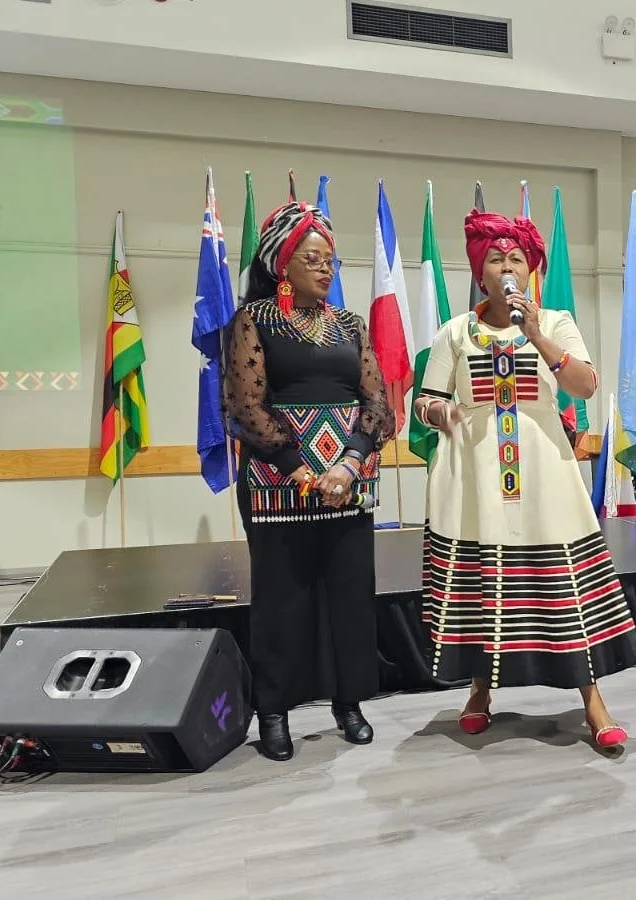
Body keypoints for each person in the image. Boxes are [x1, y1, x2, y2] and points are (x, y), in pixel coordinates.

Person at [415, 209, 636, 750]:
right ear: (480, 273)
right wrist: (440, 414)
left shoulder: (556, 322)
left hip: (544, 467)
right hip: (475, 472)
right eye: (495, 258)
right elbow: (426, 400)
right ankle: (479, 692)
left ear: (531, 270)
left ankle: (592, 702)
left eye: (516, 257)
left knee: (562, 583)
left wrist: (535, 331)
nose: (507, 266)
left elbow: (585, 387)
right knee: (483, 588)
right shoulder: (455, 332)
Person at [224, 201, 396, 761]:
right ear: (281, 263)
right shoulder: (253, 320)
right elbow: (246, 408)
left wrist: (346, 465)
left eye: (332, 260)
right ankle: (273, 712)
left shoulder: (350, 324)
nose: (326, 269)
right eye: (313, 258)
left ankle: (349, 702)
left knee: (350, 596)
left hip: (350, 482)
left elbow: (378, 403)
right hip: (279, 483)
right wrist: (300, 465)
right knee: (281, 601)